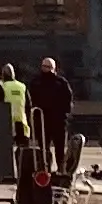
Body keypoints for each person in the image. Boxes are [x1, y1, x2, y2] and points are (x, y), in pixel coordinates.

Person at [27, 52, 75, 187]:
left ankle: (60, 170)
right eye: (44, 66)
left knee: (60, 148)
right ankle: (44, 170)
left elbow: (68, 100)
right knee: (44, 148)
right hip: (43, 122)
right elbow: (31, 100)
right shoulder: (36, 82)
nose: (46, 69)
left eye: (48, 67)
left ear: (54, 68)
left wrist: (65, 114)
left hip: (58, 121)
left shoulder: (61, 82)